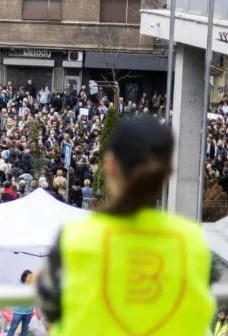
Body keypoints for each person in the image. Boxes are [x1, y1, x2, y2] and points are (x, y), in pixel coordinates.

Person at [37, 116, 215, 334]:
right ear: (167, 175)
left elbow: (50, 308)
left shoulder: (74, 239)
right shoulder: (193, 241)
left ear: (110, 164)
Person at [7, 270, 34, 336]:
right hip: (18, 312)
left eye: (32, 277)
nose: (31, 278)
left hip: (28, 312)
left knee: (25, 328)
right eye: (30, 277)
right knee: (13, 327)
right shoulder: (19, 284)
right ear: (25, 277)